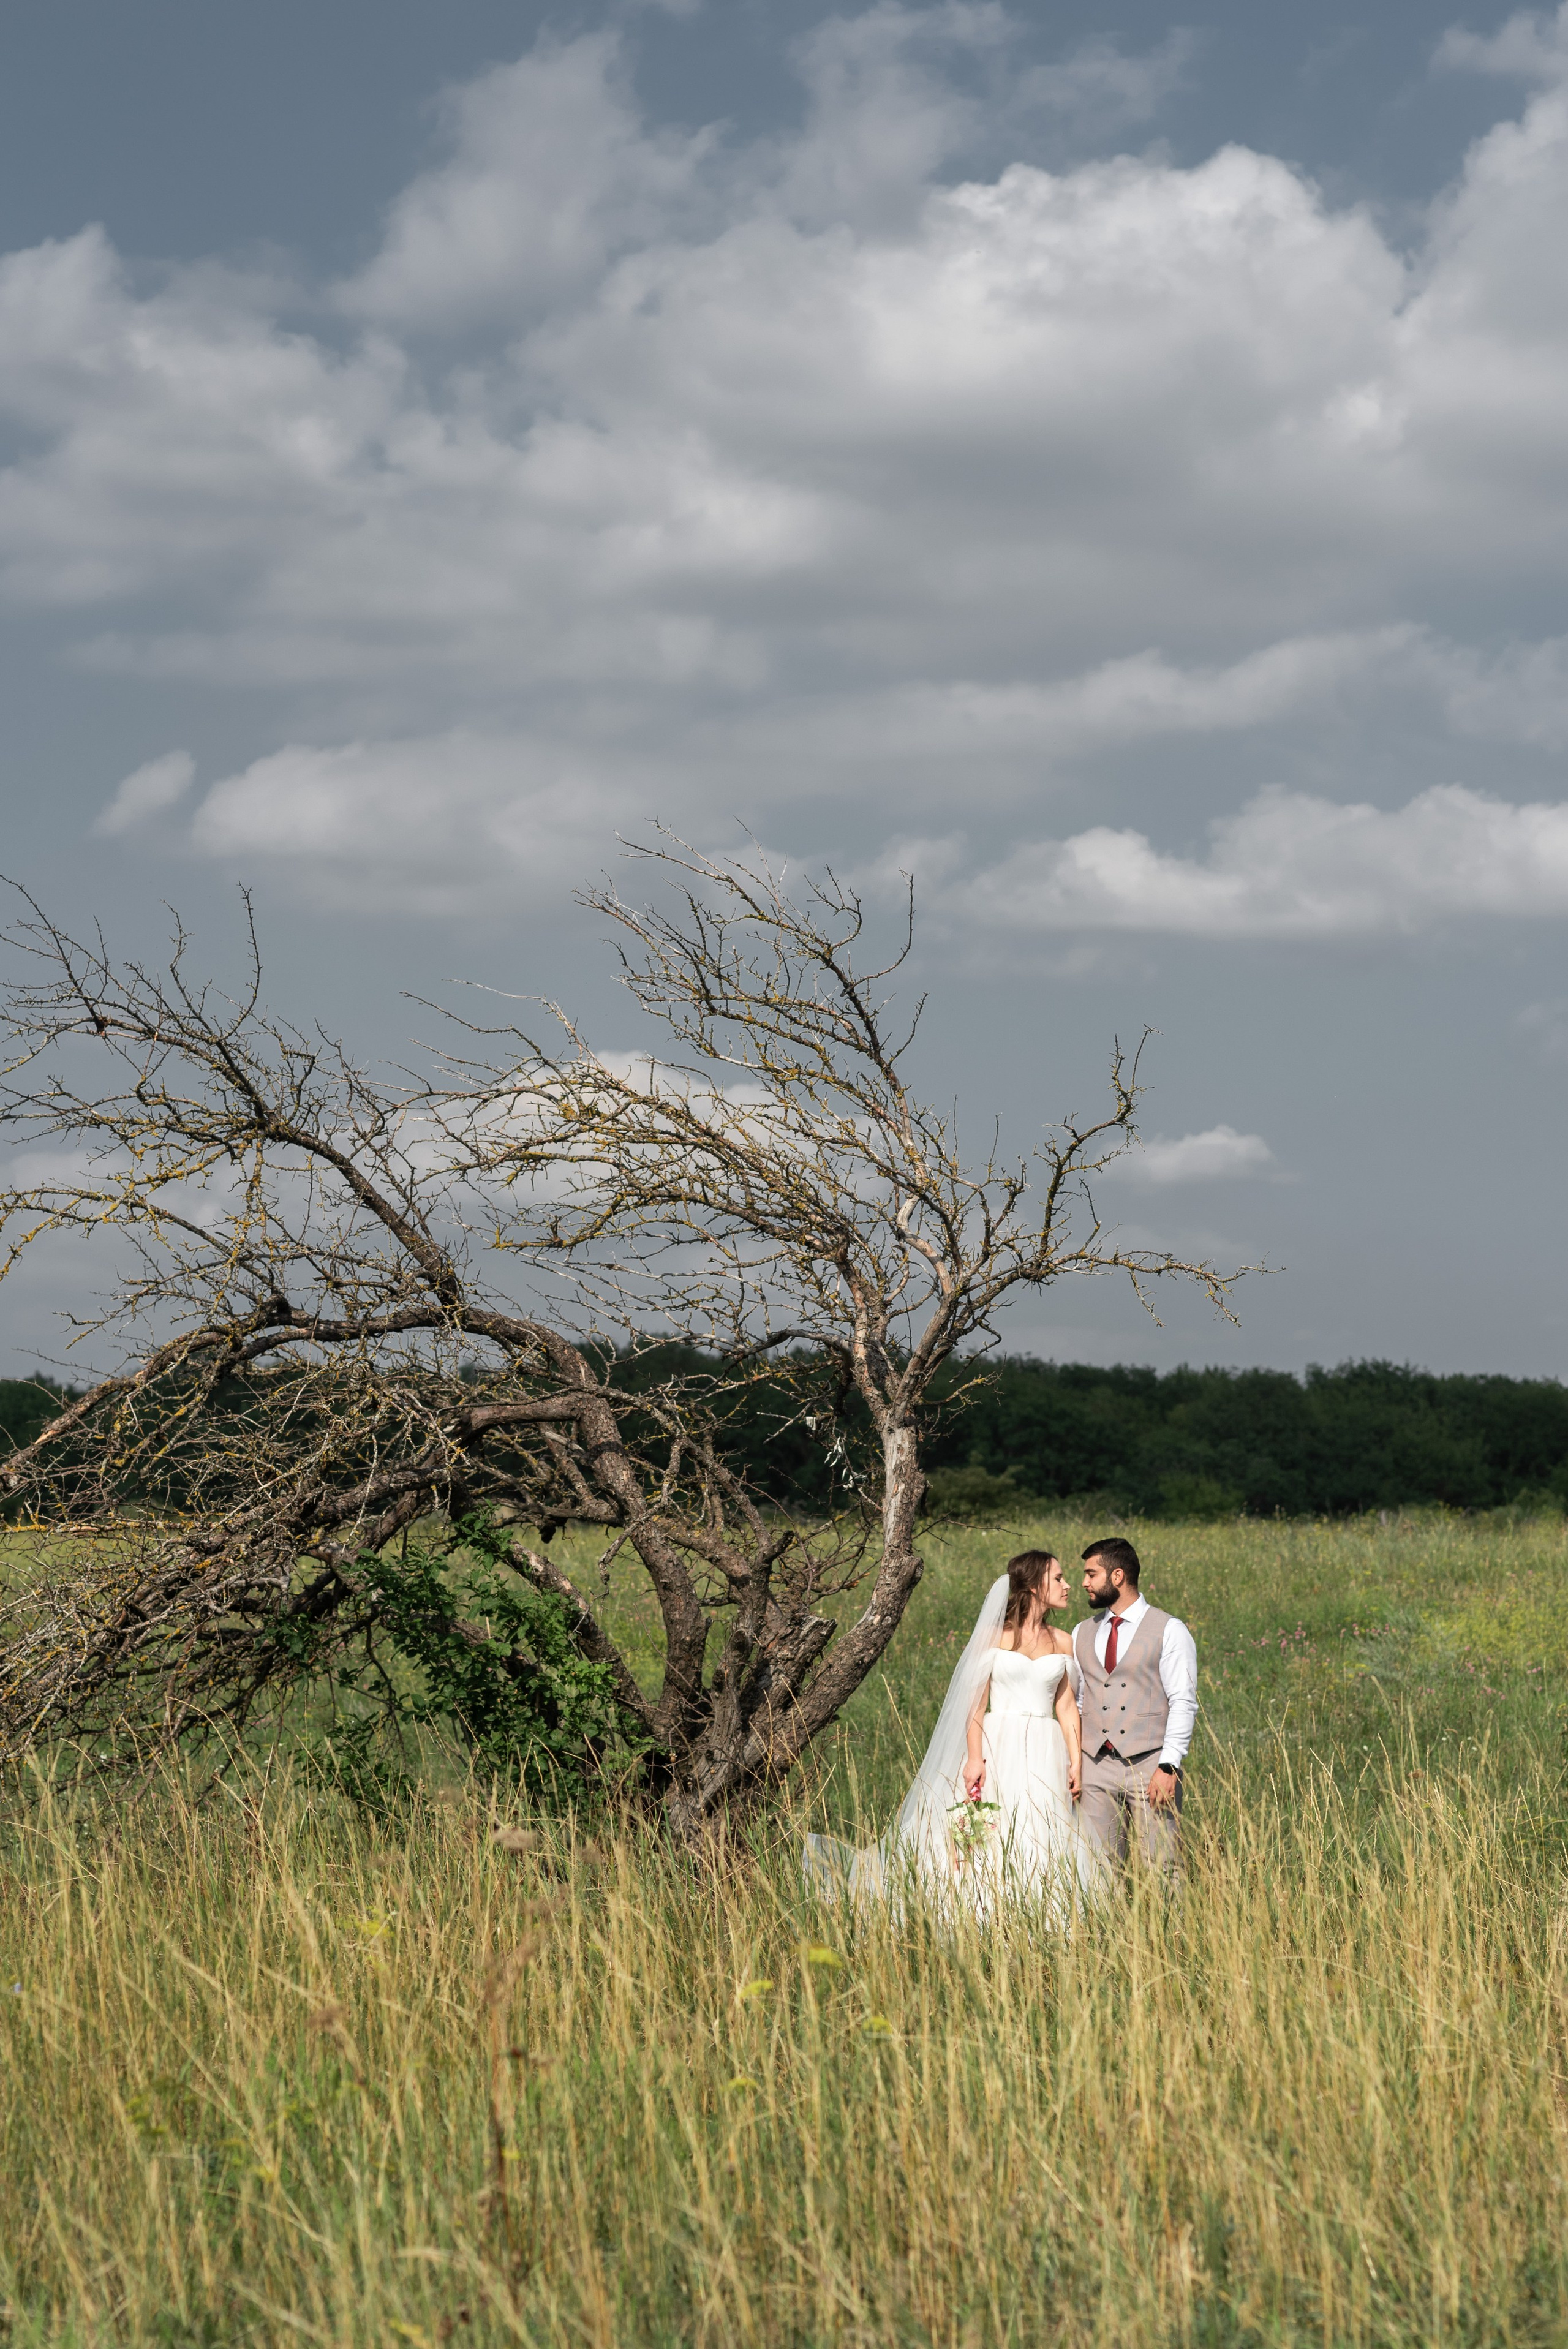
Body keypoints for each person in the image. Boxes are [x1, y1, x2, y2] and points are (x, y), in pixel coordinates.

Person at [803, 1548, 1097, 1916]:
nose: (1068, 1585)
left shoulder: (1063, 1640)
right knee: (989, 1827)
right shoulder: (995, 1636)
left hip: (1045, 1749)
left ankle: (1040, 1913)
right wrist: (975, 1758)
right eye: (1058, 1578)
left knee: (1043, 1831)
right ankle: (983, 1909)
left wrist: (1075, 1761)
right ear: (1036, 1586)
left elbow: (1066, 1706)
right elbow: (975, 1705)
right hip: (998, 1742)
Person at [1073, 1536, 1197, 1886]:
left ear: (1117, 1577)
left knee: (1163, 1866)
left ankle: (1171, 1940)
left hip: (1150, 1766)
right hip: (1095, 1767)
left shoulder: (1170, 1629)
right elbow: (1082, 1701)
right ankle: (1103, 1940)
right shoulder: (1082, 1632)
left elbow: (1183, 1702)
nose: (1084, 1582)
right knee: (1097, 1869)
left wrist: (1169, 1766)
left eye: (1091, 1574)